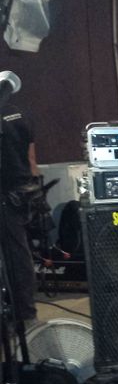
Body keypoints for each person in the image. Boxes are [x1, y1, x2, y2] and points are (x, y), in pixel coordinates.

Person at [0, 99, 40, 331]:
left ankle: (22, 317)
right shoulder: (21, 114)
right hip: (20, 193)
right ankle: (26, 314)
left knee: (15, 256)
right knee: (19, 254)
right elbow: (32, 160)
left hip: (6, 193)